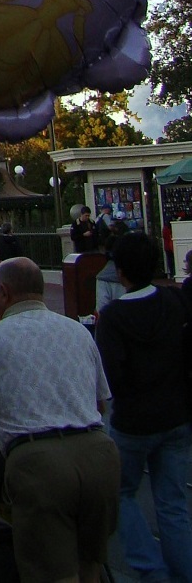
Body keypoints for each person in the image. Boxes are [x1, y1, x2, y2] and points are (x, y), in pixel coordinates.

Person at [0, 258, 119, 583]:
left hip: (39, 464)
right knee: (90, 564)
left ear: (2, 292)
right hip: (98, 455)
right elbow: (100, 404)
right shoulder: (77, 332)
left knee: (54, 573)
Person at [95, 232, 192, 583]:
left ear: (120, 272)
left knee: (120, 493)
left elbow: (111, 376)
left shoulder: (114, 317)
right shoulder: (175, 301)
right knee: (173, 504)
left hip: (134, 421)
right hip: (177, 416)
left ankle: (152, 571)